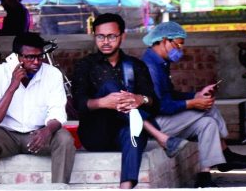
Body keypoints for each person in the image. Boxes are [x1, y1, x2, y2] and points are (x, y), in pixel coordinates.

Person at [72, 13, 185, 189]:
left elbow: (154, 103)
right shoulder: (85, 65)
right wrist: (102, 102)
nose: (106, 41)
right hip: (95, 133)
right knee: (111, 88)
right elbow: (77, 103)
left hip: (124, 132)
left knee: (135, 133)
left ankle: (126, 186)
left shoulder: (136, 66)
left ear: (122, 36)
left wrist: (140, 99)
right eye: (100, 36)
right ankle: (161, 137)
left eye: (111, 36)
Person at [140, 22, 246, 187]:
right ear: (164, 40)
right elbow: (160, 106)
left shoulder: (160, 62)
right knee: (208, 108)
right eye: (178, 45)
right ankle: (226, 155)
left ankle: (204, 176)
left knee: (207, 123)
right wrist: (192, 103)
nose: (180, 50)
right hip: (156, 123)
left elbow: (171, 94)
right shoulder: (150, 66)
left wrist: (197, 95)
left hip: (165, 118)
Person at [0, 32, 75, 184]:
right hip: (6, 136)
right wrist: (12, 86)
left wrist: (47, 131)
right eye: (30, 57)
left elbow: (58, 111)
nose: (36, 62)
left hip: (40, 134)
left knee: (64, 139)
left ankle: (59, 188)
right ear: (17, 57)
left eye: (40, 56)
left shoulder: (52, 74)